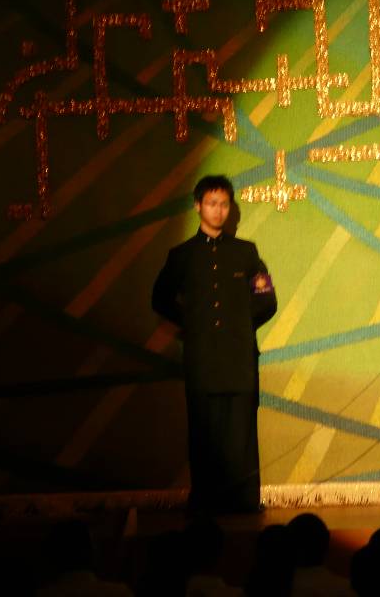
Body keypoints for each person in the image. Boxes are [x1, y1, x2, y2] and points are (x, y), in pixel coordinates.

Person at [152, 174, 277, 514]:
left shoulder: (246, 252)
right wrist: (194, 323)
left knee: (241, 433)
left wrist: (238, 324)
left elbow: (266, 299)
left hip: (239, 359)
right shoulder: (181, 255)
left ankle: (244, 501)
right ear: (198, 206)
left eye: (223, 204)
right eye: (211, 203)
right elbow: (160, 298)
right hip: (202, 360)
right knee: (204, 432)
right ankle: (206, 503)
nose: (218, 210)